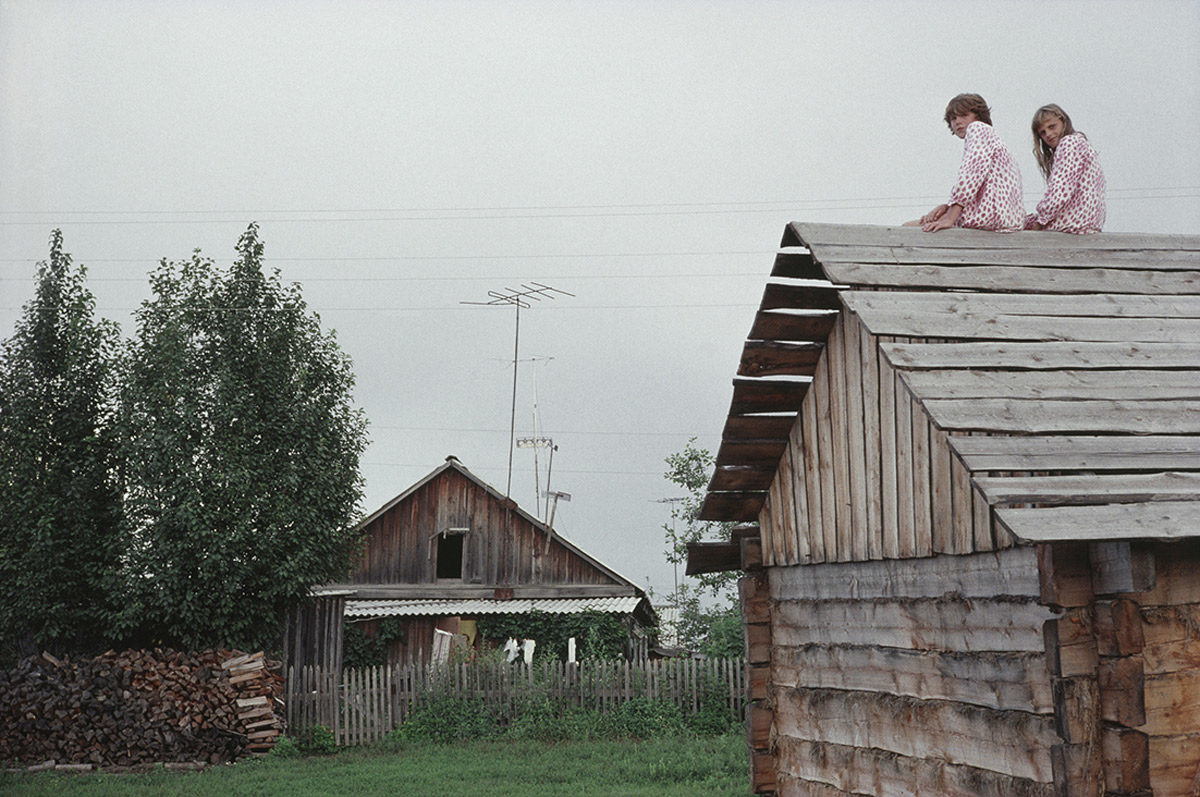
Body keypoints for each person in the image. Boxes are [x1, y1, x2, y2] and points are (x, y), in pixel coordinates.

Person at [905, 93, 1025, 232]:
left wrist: (950, 217)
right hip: (1006, 218)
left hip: (989, 217)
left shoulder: (978, 129)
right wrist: (947, 207)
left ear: (978, 116)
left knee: (909, 228)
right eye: (953, 118)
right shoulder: (993, 139)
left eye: (963, 115)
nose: (958, 122)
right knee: (927, 220)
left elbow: (972, 175)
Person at [1025, 103, 1106, 233]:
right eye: (1043, 132)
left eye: (1052, 126)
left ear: (1063, 121)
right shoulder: (1082, 144)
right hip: (1088, 224)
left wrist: (1039, 224)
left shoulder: (1069, 143)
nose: (1049, 134)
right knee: (1026, 220)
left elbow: (1060, 192)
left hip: (1071, 225)